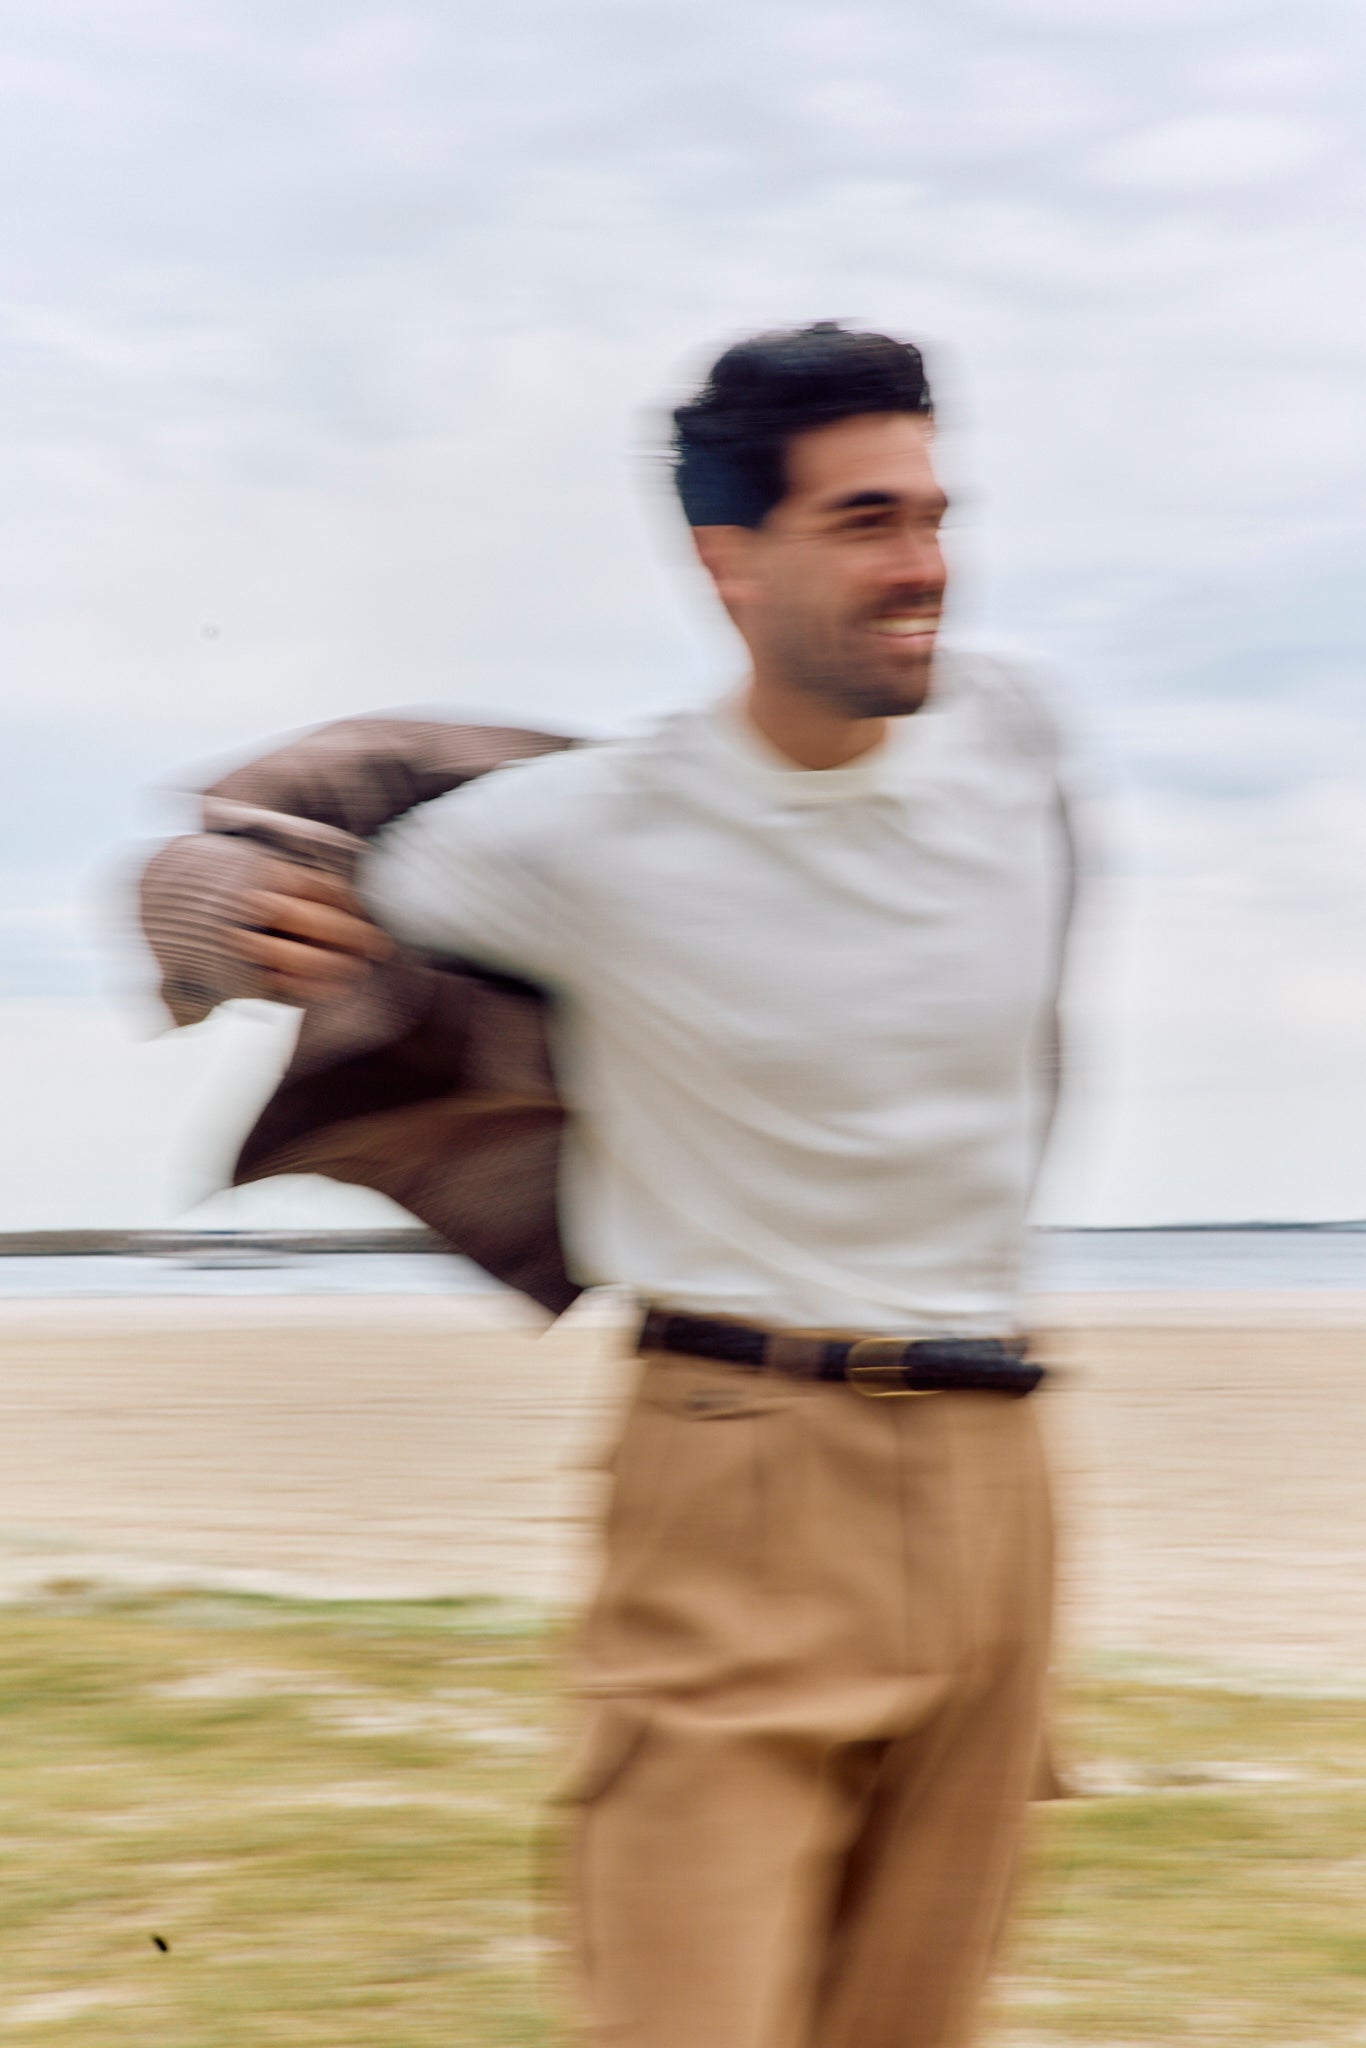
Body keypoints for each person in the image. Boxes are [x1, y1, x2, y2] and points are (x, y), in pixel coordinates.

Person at [141, 322, 1074, 2048]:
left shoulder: (1016, 733)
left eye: (933, 514)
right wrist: (198, 906)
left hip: (1002, 1483)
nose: (924, 564)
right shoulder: (586, 835)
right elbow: (284, 859)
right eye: (865, 520)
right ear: (732, 561)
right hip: (740, 1477)